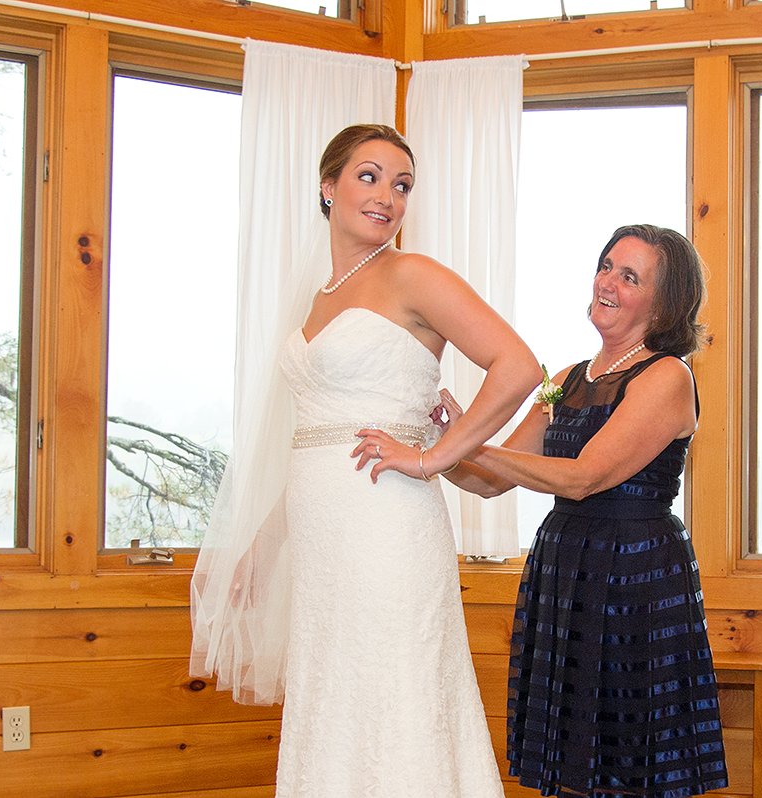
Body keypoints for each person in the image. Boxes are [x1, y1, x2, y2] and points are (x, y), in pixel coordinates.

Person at [190, 123, 540, 797]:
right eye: (370, 176)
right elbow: (312, 438)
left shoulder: (412, 274)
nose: (387, 196)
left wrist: (432, 457)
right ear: (329, 188)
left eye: (401, 185)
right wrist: (263, 543)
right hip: (323, 539)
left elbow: (519, 366)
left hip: (389, 527)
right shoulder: (318, 298)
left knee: (397, 687)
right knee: (334, 690)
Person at [359, 224, 727, 797]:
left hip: (635, 573)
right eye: (606, 266)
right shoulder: (565, 381)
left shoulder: (667, 377)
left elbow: (583, 477)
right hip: (565, 569)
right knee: (574, 747)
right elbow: (485, 482)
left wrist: (451, 450)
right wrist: (454, 443)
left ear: (665, 301)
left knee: (631, 751)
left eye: (629, 276)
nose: (607, 281)